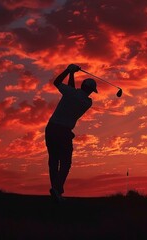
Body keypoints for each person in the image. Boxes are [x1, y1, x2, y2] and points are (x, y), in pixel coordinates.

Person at [45, 64, 97, 202]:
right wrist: (71, 73)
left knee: (53, 161)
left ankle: (56, 190)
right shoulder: (87, 102)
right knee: (65, 163)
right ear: (91, 91)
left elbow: (57, 83)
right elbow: (72, 91)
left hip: (51, 128)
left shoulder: (71, 93)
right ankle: (56, 189)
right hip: (64, 131)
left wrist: (69, 70)